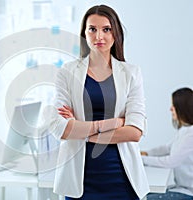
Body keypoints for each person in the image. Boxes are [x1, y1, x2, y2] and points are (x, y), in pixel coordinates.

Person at [44, 4, 149, 200]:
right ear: (84, 33)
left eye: (106, 29)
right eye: (92, 29)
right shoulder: (67, 72)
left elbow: (134, 132)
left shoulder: (131, 73)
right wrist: (115, 123)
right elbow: (61, 128)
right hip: (80, 179)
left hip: (121, 177)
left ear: (115, 33)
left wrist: (80, 130)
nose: (99, 36)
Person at [141, 87, 193, 200]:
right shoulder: (185, 130)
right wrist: (147, 153)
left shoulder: (191, 134)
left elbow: (171, 162)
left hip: (188, 193)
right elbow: (167, 148)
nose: (170, 109)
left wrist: (142, 159)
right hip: (180, 188)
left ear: (182, 108)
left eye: (173, 106)